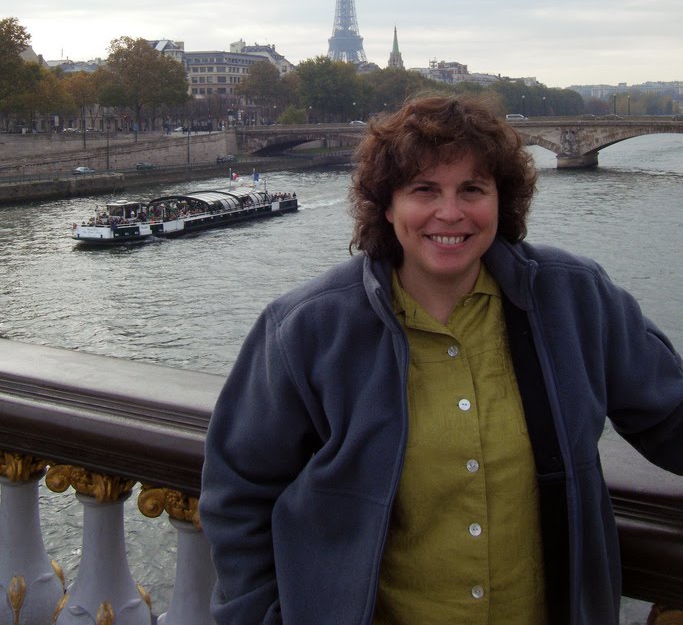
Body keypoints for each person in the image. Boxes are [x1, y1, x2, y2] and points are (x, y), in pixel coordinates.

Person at [200, 95, 683, 625]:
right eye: (424, 190)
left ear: (501, 200)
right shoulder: (306, 329)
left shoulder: (576, 299)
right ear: (387, 205)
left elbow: (670, 415)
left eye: (472, 189)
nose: (450, 213)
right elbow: (238, 494)